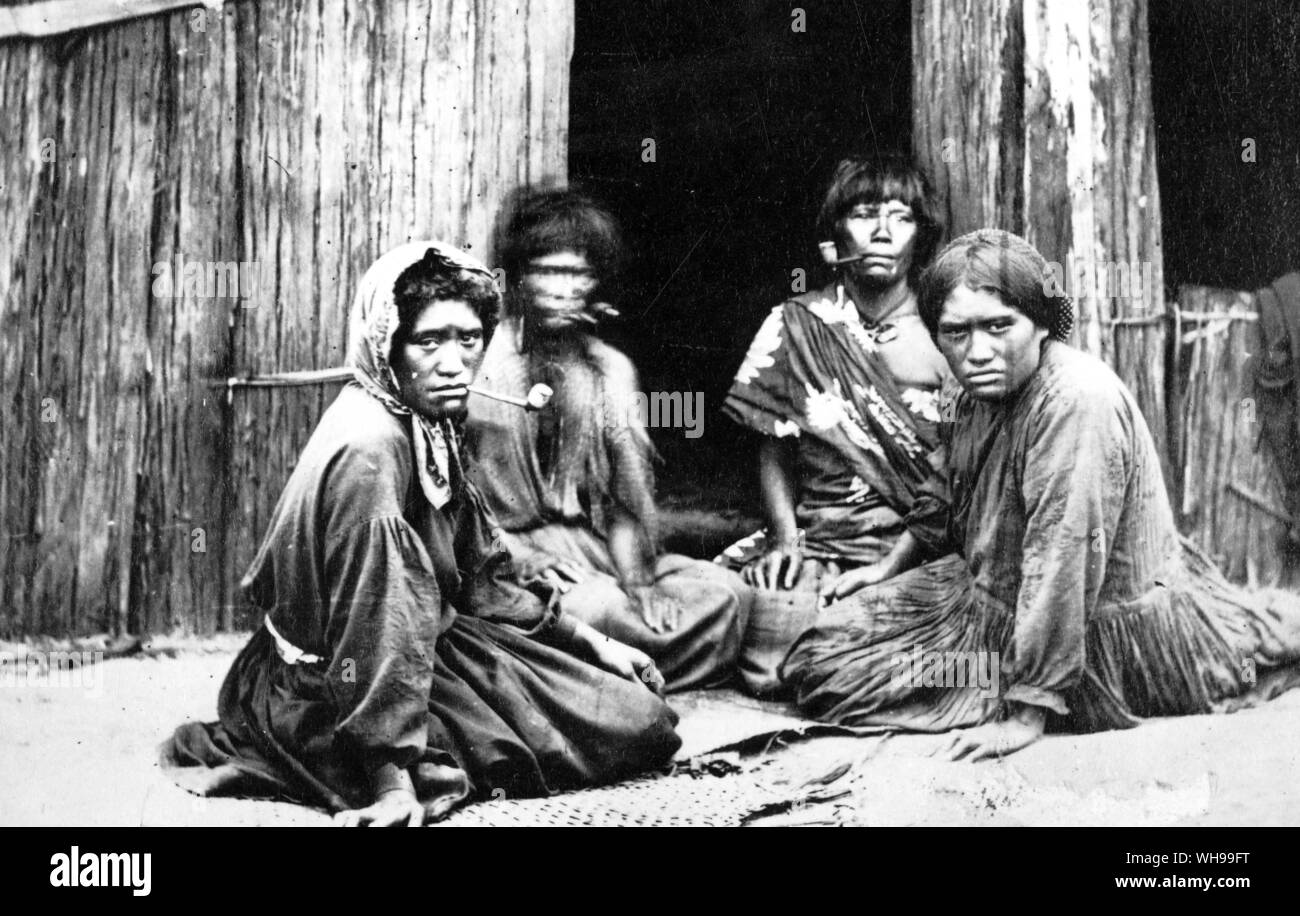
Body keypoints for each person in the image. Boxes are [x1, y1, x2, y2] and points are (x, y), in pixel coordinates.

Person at [160, 242, 680, 825]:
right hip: (332, 679)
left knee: (635, 710)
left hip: (426, 640)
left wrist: (592, 641)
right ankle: (348, 756)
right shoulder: (372, 447)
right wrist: (392, 782)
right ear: (387, 345)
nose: (454, 361)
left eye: (469, 338)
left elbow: (482, 575)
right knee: (619, 732)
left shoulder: (424, 417)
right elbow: (376, 618)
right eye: (428, 341)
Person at [781, 229, 1300, 759]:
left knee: (833, 680)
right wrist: (888, 567)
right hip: (988, 593)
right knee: (815, 654)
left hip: (1087, 625)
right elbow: (946, 484)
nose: (977, 350)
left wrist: (1026, 713)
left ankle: (1068, 692)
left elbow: (1063, 555)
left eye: (999, 326)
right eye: (956, 332)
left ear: (1041, 324)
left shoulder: (1075, 403)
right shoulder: (969, 384)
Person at [465, 187, 751, 693]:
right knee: (595, 610)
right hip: (501, 556)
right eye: (548, 271)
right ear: (520, 276)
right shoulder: (481, 364)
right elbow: (453, 505)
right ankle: (600, 668)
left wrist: (639, 581)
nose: (564, 288)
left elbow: (624, 505)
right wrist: (522, 558)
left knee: (727, 594)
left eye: (579, 274)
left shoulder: (610, 369)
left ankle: (599, 671)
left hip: (594, 551)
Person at [718, 155, 953, 693]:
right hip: (819, 538)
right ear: (835, 232)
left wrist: (901, 560)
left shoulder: (948, 330)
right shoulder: (799, 322)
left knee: (842, 648)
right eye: (865, 214)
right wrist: (784, 541)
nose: (882, 232)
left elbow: (960, 467)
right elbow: (775, 445)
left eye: (902, 217)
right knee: (763, 645)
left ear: (922, 235)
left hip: (914, 544)